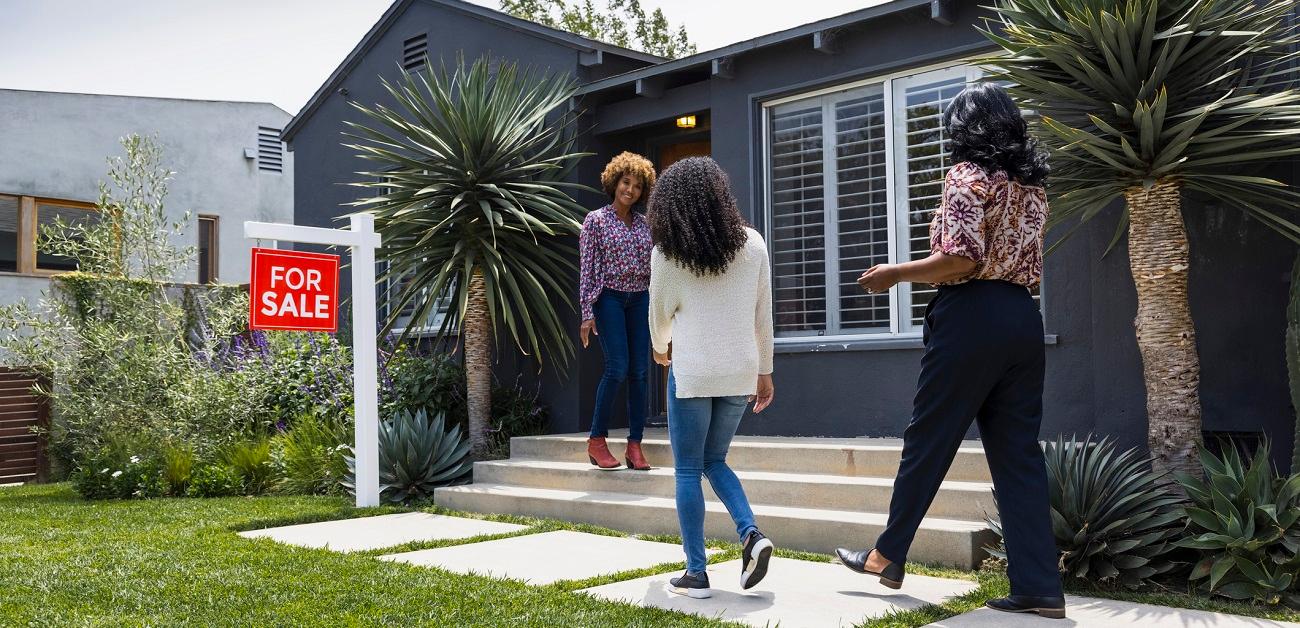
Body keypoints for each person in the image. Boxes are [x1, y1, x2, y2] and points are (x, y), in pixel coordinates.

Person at [834, 83, 1065, 619]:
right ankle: (1039, 587)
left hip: (972, 318)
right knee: (1018, 456)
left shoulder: (965, 176)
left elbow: (961, 259)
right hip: (1022, 319)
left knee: (929, 439)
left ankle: (887, 555)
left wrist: (895, 275)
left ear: (965, 129)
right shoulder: (1033, 187)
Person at [647, 156, 776, 600]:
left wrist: (662, 351)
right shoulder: (754, 244)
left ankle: (696, 574)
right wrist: (765, 370)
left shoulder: (667, 253)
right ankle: (751, 534)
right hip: (740, 371)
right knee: (714, 461)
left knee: (687, 468)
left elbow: (658, 319)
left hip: (693, 373)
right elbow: (764, 317)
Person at [580, 151, 657, 471]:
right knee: (618, 368)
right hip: (609, 297)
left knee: (640, 371)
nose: (631, 190)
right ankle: (597, 441)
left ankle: (634, 445)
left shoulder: (645, 224)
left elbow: (655, 267)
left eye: (638, 186)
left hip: (640, 298)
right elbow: (587, 267)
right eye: (626, 182)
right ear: (615, 182)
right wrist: (587, 310)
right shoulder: (595, 220)